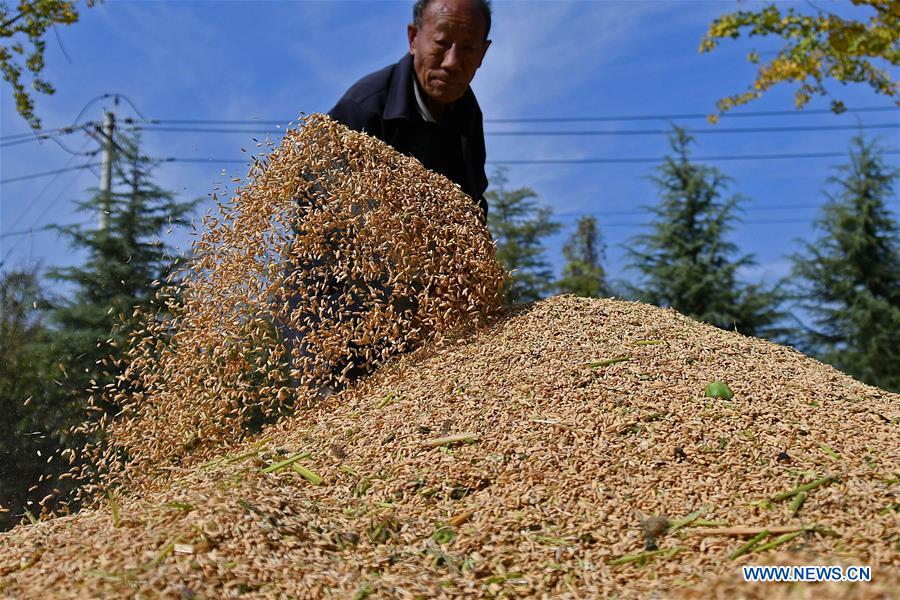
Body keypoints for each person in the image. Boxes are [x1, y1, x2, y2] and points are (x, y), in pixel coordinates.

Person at [329, 0, 493, 217]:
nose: (452, 62)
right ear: (413, 38)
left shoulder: (468, 114)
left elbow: (471, 207)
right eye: (442, 42)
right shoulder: (363, 108)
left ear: (483, 53)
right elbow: (317, 197)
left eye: (468, 48)